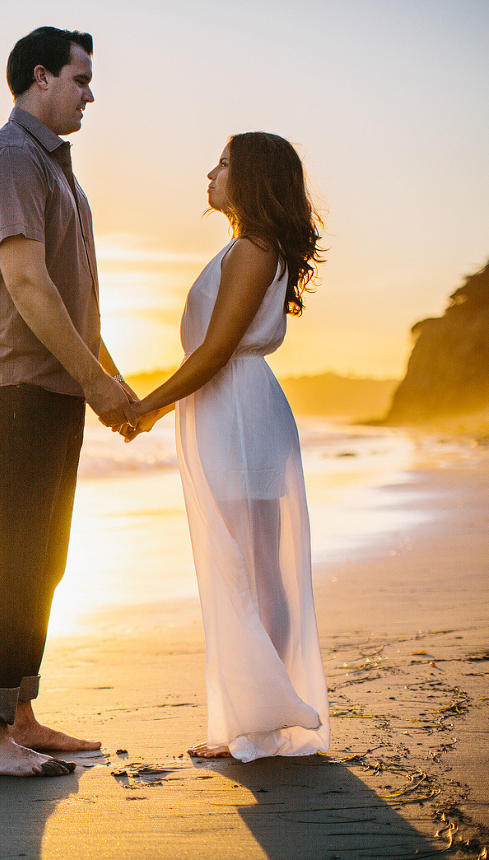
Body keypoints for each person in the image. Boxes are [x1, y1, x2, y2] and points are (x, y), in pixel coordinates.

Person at [0, 26, 138, 778]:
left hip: (52, 385)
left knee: (43, 560)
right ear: (40, 77)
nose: (91, 93)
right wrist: (96, 382)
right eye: (81, 78)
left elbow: (74, 300)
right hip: (10, 385)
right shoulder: (8, 158)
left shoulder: (59, 172)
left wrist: (111, 382)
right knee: (9, 558)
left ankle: (19, 715)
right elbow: (26, 284)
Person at [123, 133, 329, 761]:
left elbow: (213, 353)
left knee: (252, 567)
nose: (209, 173)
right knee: (249, 564)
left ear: (252, 180)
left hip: (238, 412)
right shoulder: (250, 248)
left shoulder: (252, 250)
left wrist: (148, 407)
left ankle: (264, 719)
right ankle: (260, 713)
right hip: (231, 409)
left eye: (223, 165)